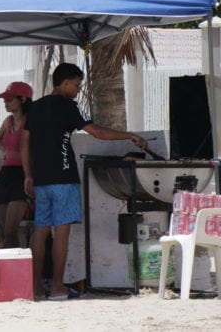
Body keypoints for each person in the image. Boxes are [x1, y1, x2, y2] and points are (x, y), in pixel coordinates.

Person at [22, 63, 147, 300]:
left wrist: (28, 174)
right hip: (64, 178)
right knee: (61, 233)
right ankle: (58, 287)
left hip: (41, 180)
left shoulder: (35, 108)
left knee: (39, 233)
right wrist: (129, 135)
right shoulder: (69, 106)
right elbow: (97, 132)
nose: (78, 91)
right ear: (66, 82)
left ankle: (35, 288)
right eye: (77, 85)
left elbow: (24, 143)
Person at [0, 81, 33, 248]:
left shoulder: (30, 121)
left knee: (10, 230)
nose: (5, 103)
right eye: (5, 100)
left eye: (9, 100)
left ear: (23, 99)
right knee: (3, 231)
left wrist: (30, 176)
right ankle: (11, 267)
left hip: (22, 174)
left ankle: (16, 269)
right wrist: (5, 151)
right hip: (6, 174)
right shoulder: (8, 121)